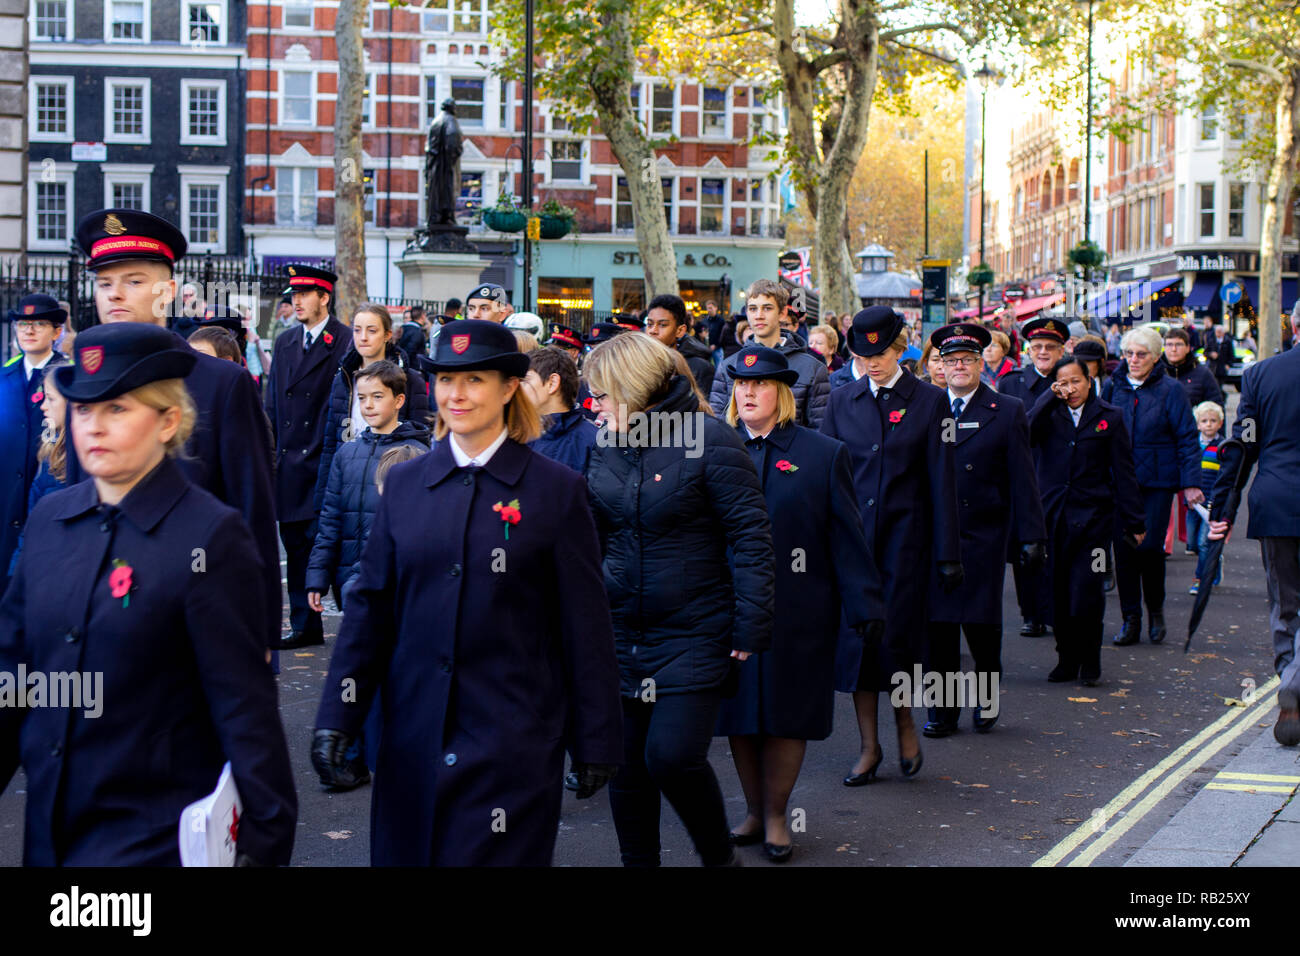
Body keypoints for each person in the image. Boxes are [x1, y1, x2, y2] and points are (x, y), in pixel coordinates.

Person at [312, 320, 623, 865]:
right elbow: (370, 610)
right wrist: (339, 715)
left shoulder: (555, 491)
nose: (457, 394)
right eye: (446, 379)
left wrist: (595, 736)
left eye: (475, 380)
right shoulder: (407, 484)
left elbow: (585, 624)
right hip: (413, 738)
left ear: (508, 389)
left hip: (513, 742)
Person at [0, 322, 297, 865]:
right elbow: (16, 677)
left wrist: (265, 843)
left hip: (151, 838)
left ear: (168, 421)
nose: (94, 427)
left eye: (118, 409)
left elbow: (243, 709)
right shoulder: (50, 520)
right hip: (52, 834)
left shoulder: (209, 535)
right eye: (85, 409)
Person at [584, 332, 774, 867]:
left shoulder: (712, 440)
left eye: (601, 394)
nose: (593, 406)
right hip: (620, 631)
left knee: (671, 757)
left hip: (695, 630)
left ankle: (719, 858)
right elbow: (589, 536)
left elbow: (751, 537)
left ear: (633, 388)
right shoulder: (604, 443)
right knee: (626, 765)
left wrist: (750, 624)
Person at [69, 208, 281, 654]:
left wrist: (258, 632)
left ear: (166, 293)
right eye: (105, 283)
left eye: (133, 281)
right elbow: (76, 496)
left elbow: (252, 511)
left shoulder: (222, 383)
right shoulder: (81, 385)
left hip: (195, 615)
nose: (116, 295)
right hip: (98, 615)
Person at [715, 346, 884, 863]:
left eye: (761, 385)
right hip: (729, 609)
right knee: (740, 716)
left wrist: (865, 605)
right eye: (742, 385)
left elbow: (846, 536)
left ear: (782, 393)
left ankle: (776, 815)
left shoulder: (821, 451)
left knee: (787, 715)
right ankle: (751, 808)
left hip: (801, 608)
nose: (748, 393)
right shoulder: (715, 449)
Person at [821, 306, 961, 785]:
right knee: (858, 642)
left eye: (880, 353)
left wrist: (947, 553)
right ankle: (867, 746)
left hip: (908, 543)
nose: (871, 362)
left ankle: (904, 723)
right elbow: (827, 476)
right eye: (862, 354)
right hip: (853, 545)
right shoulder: (842, 401)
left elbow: (943, 479)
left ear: (901, 350)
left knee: (897, 642)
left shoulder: (930, 401)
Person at [922, 324, 1046, 736]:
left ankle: (986, 698)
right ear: (939, 364)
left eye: (967, 360)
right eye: (950, 360)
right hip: (936, 535)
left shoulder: (1006, 410)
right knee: (938, 628)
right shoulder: (927, 407)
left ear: (980, 364)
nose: (958, 367)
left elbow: (1023, 478)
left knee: (981, 625)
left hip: (983, 534)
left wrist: (1032, 535)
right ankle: (942, 710)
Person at [1209, 306, 1300, 744]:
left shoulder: (1260, 375)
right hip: (1280, 500)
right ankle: (1295, 681)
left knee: (1284, 601)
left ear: (1294, 327)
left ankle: (1290, 679)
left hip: (1276, 499)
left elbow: (1243, 445)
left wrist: (1223, 506)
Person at [1029, 355, 1145, 684]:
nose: (1071, 388)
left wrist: (1135, 521)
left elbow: (1124, 472)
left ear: (1089, 379)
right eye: (1062, 383)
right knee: (1059, 592)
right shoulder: (1048, 414)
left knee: (1087, 593)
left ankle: (1090, 659)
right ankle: (1066, 658)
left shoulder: (1110, 417)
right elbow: (1024, 431)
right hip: (1054, 520)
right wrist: (1048, 398)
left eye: (1076, 381)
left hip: (1094, 524)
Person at [265, 264, 354, 650]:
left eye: (303, 295)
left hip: (324, 462)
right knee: (298, 550)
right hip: (289, 468)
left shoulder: (347, 341)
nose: (295, 301)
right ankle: (305, 624)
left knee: (334, 548)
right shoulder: (285, 342)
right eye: (292, 296)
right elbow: (271, 405)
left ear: (324, 298)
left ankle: (356, 624)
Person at [1103, 325, 1202, 646]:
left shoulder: (1170, 390)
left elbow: (1187, 437)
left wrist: (1191, 483)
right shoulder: (1111, 387)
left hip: (1158, 482)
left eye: (1141, 354)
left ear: (1156, 357)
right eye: (1129, 353)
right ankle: (1131, 618)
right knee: (1124, 552)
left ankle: (1155, 609)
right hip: (1119, 483)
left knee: (1149, 549)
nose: (1133, 360)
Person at [998, 317, 1068, 638]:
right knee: (1026, 549)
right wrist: (1048, 397)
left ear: (1061, 350)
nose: (1043, 352)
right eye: (1037, 346)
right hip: (1024, 475)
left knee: (1058, 548)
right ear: (1028, 350)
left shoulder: (1073, 379)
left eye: (1050, 347)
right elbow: (1019, 429)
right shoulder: (1011, 383)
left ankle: (1055, 609)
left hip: (1061, 473)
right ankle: (1031, 613)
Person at [0, 294, 69, 591]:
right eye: (23, 324)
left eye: (39, 324)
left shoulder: (67, 375)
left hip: (48, 489)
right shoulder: (5, 375)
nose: (28, 331)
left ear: (56, 332)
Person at [709, 279, 829, 428]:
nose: (759, 315)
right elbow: (719, 427)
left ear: (782, 313)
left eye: (767, 308)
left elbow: (820, 430)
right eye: (753, 309)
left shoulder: (813, 368)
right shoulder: (729, 366)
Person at [523, 346, 596, 474]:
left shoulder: (592, 442)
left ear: (552, 383)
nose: (517, 388)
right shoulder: (518, 433)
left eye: (525, 380)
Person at [644, 293, 716, 397]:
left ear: (680, 330)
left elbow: (704, 410)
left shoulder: (699, 368)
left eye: (662, 325)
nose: (653, 331)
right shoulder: (638, 363)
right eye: (649, 324)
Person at [1187, 400, 1224, 595]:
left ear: (1220, 423)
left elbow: (1227, 476)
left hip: (1211, 503)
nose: (1208, 424)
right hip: (1193, 503)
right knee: (1192, 543)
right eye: (1204, 421)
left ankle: (1199, 579)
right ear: (1198, 424)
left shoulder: (1223, 447)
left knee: (1203, 542)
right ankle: (1216, 559)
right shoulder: (1192, 445)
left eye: (1213, 420)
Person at [1162, 327, 1223, 407]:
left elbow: (1216, 409)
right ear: (1164, 347)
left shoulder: (1203, 374)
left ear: (1188, 348)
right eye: (1169, 344)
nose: (1174, 349)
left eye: (1178, 344)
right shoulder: (1155, 373)